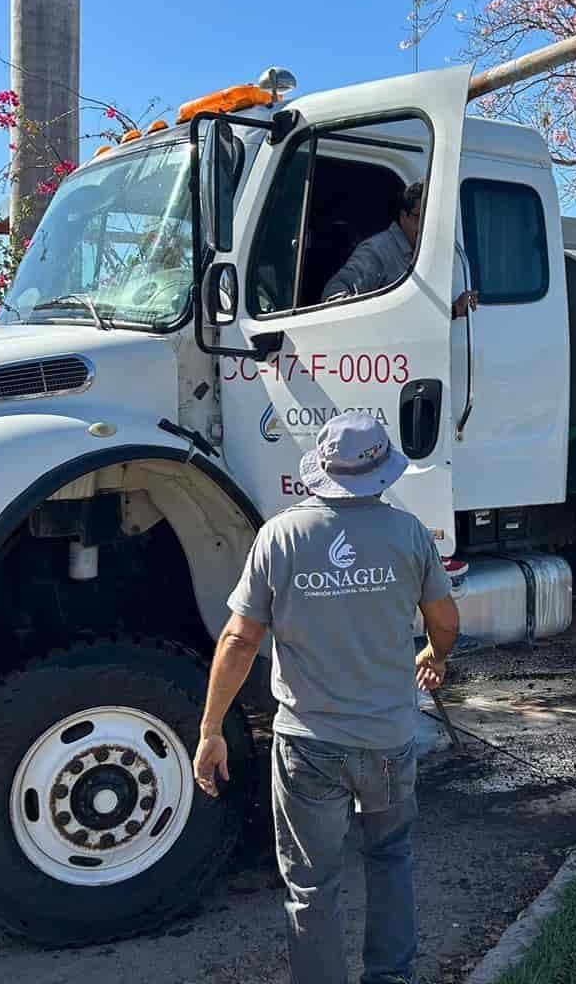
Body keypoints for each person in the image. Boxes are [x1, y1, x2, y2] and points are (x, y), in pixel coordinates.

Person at [194, 411, 462, 984]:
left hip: (308, 745)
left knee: (312, 883)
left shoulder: (282, 536)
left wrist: (212, 728)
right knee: (390, 860)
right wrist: (434, 658)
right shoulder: (408, 533)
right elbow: (444, 619)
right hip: (389, 738)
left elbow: (240, 639)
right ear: (381, 472)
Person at [324, 181, 479, 319]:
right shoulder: (378, 251)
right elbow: (332, 299)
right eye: (420, 217)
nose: (427, 226)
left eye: (432, 219)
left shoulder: (425, 254)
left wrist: (456, 309)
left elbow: (419, 315)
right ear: (403, 216)